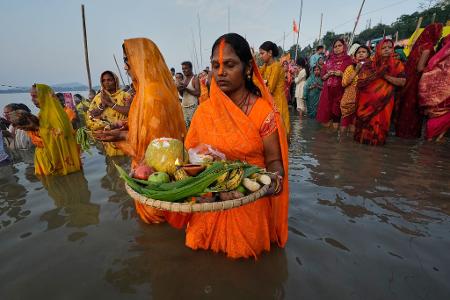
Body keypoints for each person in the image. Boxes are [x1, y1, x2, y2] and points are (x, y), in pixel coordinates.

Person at [184, 33, 289, 259]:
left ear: (248, 67)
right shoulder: (204, 111)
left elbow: (274, 161)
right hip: (208, 203)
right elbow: (190, 157)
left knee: (245, 267)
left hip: (248, 202)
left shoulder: (263, 113)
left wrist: (268, 182)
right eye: (215, 65)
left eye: (229, 65)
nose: (220, 72)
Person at [93, 38, 187, 225]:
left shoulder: (152, 94)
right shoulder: (146, 90)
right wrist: (125, 125)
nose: (126, 67)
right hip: (155, 171)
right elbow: (147, 122)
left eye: (128, 61)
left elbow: (156, 145)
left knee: (157, 221)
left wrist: (121, 137)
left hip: (155, 173)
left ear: (140, 62)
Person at [395, 23, 443, 139]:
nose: (440, 35)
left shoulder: (419, 45)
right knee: (412, 110)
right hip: (417, 82)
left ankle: (400, 134)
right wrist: (437, 69)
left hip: (409, 81)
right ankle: (409, 136)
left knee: (406, 108)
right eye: (440, 32)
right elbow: (420, 68)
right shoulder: (428, 47)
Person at [354, 39, 406, 146]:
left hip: (384, 103)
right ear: (378, 49)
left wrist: (385, 76)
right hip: (366, 104)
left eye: (390, 47)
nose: (387, 50)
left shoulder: (397, 64)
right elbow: (360, 82)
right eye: (383, 48)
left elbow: (402, 82)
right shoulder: (369, 64)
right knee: (363, 135)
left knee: (379, 132)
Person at [26, 84, 82, 175]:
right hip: (47, 161)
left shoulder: (59, 116)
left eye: (35, 96)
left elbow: (62, 138)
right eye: (31, 97)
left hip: (61, 165)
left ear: (46, 97)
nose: (32, 100)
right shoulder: (40, 115)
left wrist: (36, 128)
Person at [87, 70, 132, 156]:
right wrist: (102, 105)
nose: (106, 82)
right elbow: (90, 116)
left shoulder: (125, 95)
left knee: (127, 161)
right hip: (108, 137)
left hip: (123, 134)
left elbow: (130, 112)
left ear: (115, 81)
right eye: (103, 80)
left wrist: (111, 104)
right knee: (112, 164)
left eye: (109, 80)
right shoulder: (98, 98)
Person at [418, 35, 450, 142]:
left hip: (431, 103)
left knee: (429, 136)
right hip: (442, 104)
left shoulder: (434, 61)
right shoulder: (444, 64)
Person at [316, 39, 353, 129]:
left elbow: (353, 78)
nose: (337, 48)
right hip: (328, 92)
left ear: (344, 47)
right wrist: (328, 74)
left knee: (338, 117)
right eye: (335, 46)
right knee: (326, 118)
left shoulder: (349, 61)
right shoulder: (329, 61)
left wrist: (341, 74)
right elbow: (322, 77)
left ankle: (336, 138)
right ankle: (328, 140)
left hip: (341, 92)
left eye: (339, 46)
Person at [259, 41, 291, 136]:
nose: (260, 56)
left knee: (281, 132)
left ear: (270, 53)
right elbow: (258, 77)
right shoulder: (265, 66)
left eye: (262, 53)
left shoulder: (276, 66)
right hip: (270, 102)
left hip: (278, 103)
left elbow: (270, 89)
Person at [340, 45, 371, 133]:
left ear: (368, 54)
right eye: (358, 52)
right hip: (349, 101)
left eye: (363, 52)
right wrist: (356, 71)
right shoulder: (350, 68)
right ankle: (341, 144)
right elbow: (344, 83)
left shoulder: (371, 68)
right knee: (345, 124)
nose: (361, 54)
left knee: (356, 126)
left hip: (364, 100)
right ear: (355, 55)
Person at [177, 61, 200, 127]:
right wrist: (180, 90)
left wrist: (186, 89)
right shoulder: (184, 79)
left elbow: (198, 93)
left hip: (193, 107)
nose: (184, 70)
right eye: (183, 69)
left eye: (186, 68)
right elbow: (182, 95)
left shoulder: (195, 79)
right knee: (186, 127)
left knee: (194, 126)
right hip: (184, 107)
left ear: (191, 68)